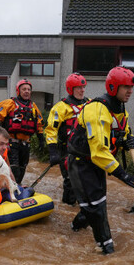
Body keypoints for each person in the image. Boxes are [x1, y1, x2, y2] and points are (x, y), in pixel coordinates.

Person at [67, 66, 134, 255]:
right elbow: (99, 151)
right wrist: (126, 177)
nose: (130, 91)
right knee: (97, 205)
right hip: (82, 163)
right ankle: (107, 249)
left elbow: (121, 133)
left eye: (131, 87)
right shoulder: (97, 109)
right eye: (126, 87)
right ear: (114, 87)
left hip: (97, 164)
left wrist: (128, 140)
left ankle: (74, 228)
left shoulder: (120, 110)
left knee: (95, 204)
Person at [45, 73, 89, 205]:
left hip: (86, 151)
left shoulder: (90, 104)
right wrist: (53, 152)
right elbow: (51, 130)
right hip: (67, 151)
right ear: (71, 89)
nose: (82, 90)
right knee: (70, 183)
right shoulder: (60, 107)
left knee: (86, 183)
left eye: (83, 87)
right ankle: (68, 206)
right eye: (78, 88)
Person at [0, 79, 44, 184]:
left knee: (23, 167)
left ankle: (16, 186)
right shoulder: (9, 103)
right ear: (18, 91)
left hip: (25, 144)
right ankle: (10, 186)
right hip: (11, 143)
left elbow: (39, 123)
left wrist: (41, 138)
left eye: (28, 89)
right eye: (24, 89)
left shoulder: (33, 107)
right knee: (14, 168)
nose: (26, 91)